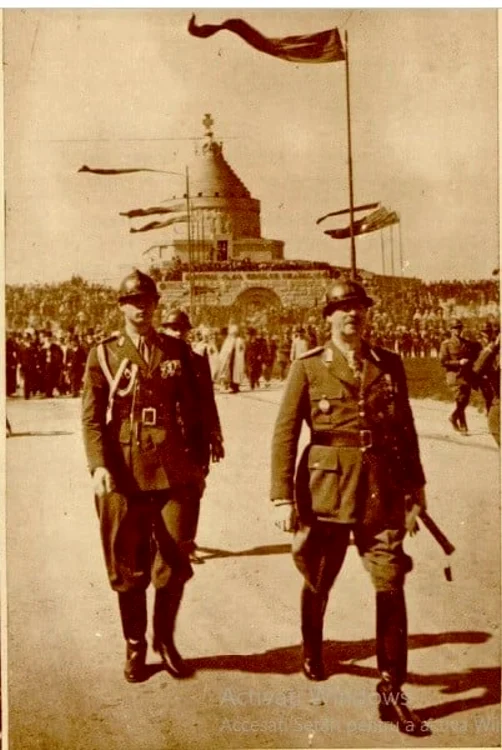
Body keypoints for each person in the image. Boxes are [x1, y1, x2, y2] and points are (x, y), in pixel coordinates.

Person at [270, 279, 430, 737]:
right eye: (342, 310)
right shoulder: (307, 368)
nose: (351, 316)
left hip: (381, 488)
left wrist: (416, 487)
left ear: (367, 314)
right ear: (328, 318)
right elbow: (285, 433)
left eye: (358, 308)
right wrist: (281, 496)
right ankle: (313, 647)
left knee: (390, 581)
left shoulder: (389, 365)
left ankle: (391, 691)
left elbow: (405, 429)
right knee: (319, 575)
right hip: (326, 491)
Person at [82, 269, 205, 683]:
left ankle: (165, 640)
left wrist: (199, 464)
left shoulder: (176, 350)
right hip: (124, 471)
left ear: (157, 305)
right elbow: (93, 419)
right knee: (127, 565)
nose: (142, 308)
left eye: (148, 301)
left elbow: (195, 409)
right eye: (134, 302)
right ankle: (135, 646)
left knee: (173, 559)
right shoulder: (104, 354)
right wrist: (99, 465)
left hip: (172, 471)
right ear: (121, 307)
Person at [161, 309, 225, 562]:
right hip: (167, 437)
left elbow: (207, 399)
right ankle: (166, 541)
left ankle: (186, 542)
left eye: (181, 329)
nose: (177, 333)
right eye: (172, 328)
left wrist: (215, 434)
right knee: (167, 491)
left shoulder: (197, 359)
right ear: (164, 330)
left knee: (195, 488)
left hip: (195, 435)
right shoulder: (157, 359)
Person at [439, 318, 479, 435]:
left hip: (466, 376)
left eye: (459, 327)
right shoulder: (446, 344)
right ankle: (463, 425)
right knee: (460, 398)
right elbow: (443, 361)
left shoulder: (466, 343)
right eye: (455, 328)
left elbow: (473, 356)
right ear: (451, 330)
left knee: (465, 401)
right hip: (454, 376)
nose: (458, 330)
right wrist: (458, 363)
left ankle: (453, 417)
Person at [472, 328, 500, 445]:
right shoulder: (480, 344)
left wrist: (493, 348)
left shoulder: (492, 349)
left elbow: (477, 368)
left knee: (494, 424)